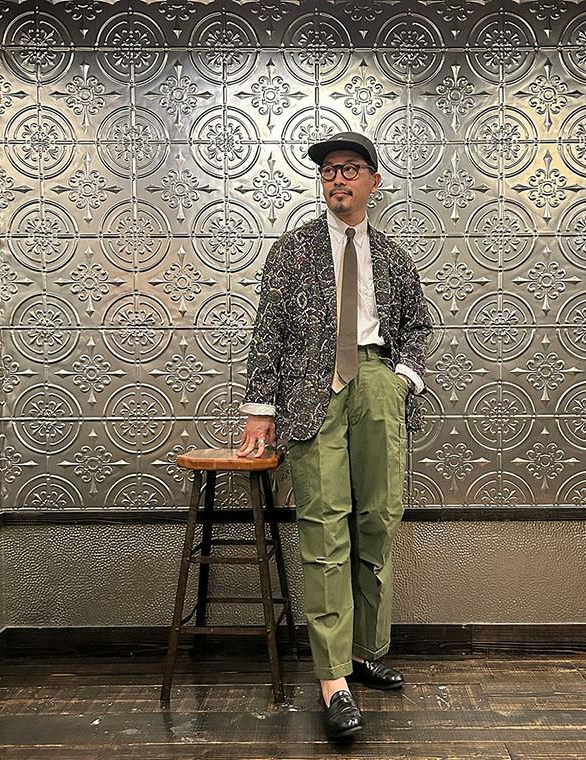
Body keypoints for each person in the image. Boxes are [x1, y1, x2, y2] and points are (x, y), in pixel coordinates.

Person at [237, 131, 432, 740]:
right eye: (328, 171)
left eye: (349, 168)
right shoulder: (293, 250)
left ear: (374, 180)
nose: (336, 178)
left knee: (378, 518)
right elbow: (269, 328)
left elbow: (418, 326)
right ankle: (332, 680)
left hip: (375, 382)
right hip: (310, 389)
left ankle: (363, 651)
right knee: (324, 528)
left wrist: (402, 378)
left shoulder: (392, 255)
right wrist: (260, 407)